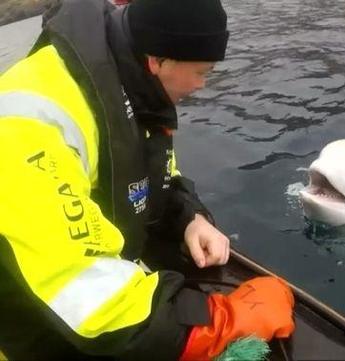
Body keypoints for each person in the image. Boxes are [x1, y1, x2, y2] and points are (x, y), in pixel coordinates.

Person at [0, 0, 295, 359]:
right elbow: (82, 291)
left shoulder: (132, 82)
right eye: (202, 72)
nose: (202, 86)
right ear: (158, 61)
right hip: (28, 335)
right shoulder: (29, 125)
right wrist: (222, 321)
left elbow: (158, 173)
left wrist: (188, 218)